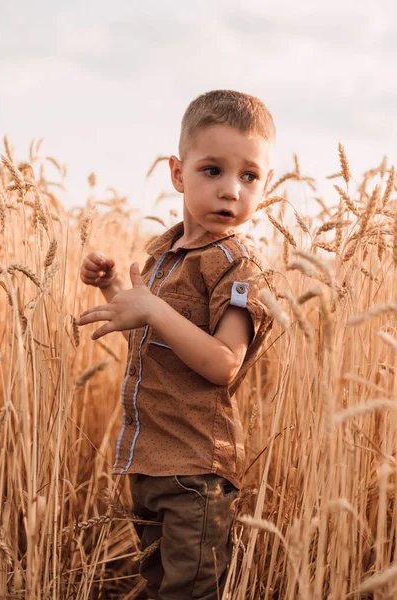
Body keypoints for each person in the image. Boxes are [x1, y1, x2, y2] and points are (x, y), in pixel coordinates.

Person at [76, 89, 276, 600]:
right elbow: (150, 328)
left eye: (248, 175)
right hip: (148, 462)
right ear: (177, 173)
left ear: (265, 184)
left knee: (189, 591)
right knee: (159, 585)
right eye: (213, 170)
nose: (231, 190)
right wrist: (111, 287)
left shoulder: (238, 269)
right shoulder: (164, 252)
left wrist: (153, 309)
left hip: (196, 471)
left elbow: (224, 363)